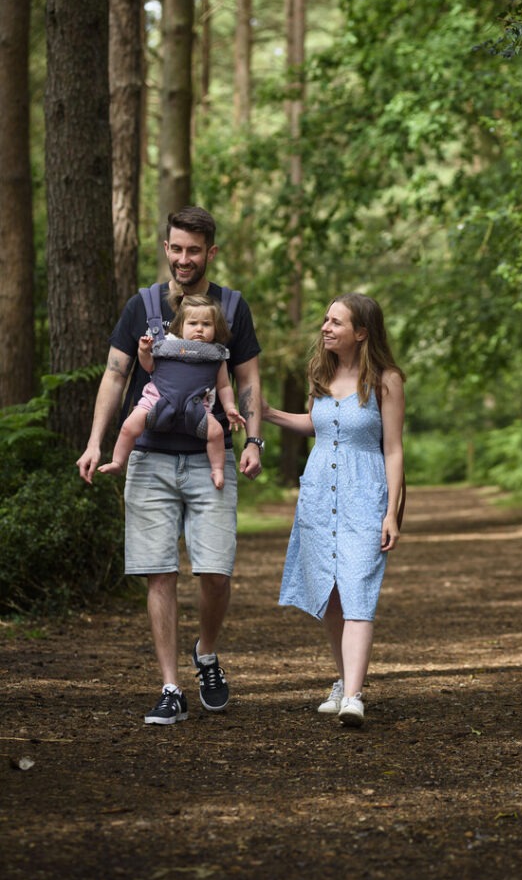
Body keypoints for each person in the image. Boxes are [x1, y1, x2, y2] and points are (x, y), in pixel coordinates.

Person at [77, 206, 264, 726]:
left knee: (215, 572)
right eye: (176, 249)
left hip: (211, 459)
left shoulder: (231, 306)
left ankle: (205, 653)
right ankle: (170, 686)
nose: (185, 259)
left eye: (195, 250)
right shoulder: (142, 306)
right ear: (167, 248)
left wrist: (255, 441)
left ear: (211, 252)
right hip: (150, 459)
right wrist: (97, 441)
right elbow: (116, 376)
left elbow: (245, 379)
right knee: (158, 572)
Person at [262, 293, 405, 728]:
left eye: (335, 322)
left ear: (361, 332)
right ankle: (344, 683)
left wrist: (392, 512)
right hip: (319, 494)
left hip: (366, 494)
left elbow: (394, 449)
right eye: (325, 319)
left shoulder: (386, 380)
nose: (325, 327)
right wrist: (267, 413)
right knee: (332, 593)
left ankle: (355, 696)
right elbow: (317, 426)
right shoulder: (320, 373)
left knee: (359, 588)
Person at [98, 294, 246, 490]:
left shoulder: (215, 355)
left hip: (196, 407)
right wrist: (143, 351)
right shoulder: (167, 344)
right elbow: (149, 367)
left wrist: (229, 408)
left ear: (216, 328)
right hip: (156, 401)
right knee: (129, 426)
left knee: (216, 432)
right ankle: (118, 462)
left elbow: (224, 386)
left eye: (207, 324)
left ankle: (217, 469)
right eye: (193, 323)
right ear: (181, 326)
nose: (200, 329)